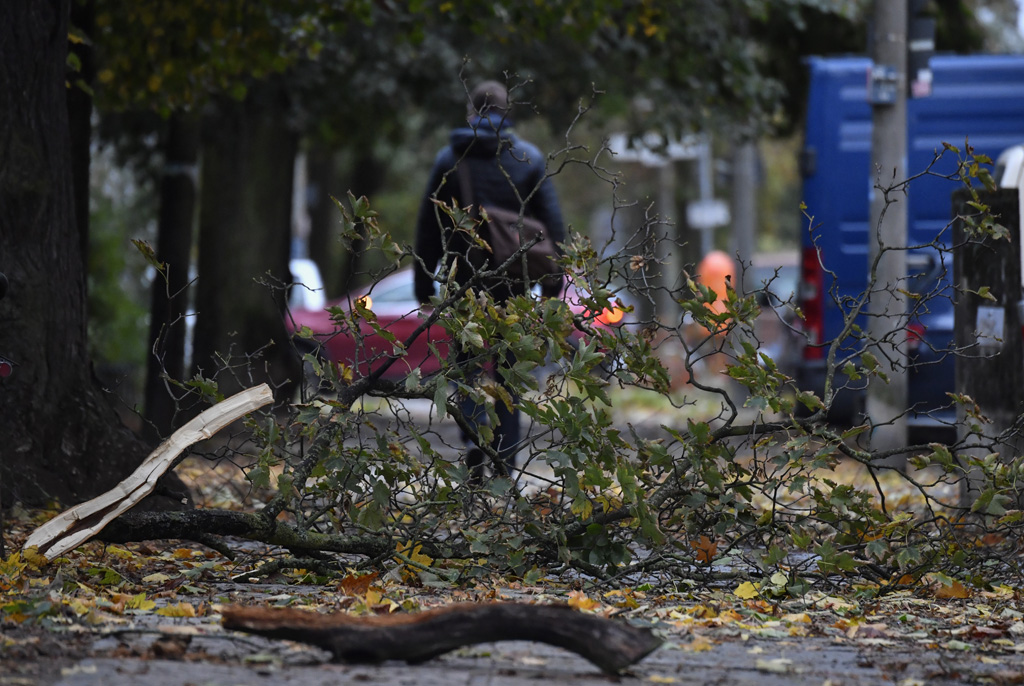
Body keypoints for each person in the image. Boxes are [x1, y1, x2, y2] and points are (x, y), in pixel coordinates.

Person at [413, 80, 565, 481]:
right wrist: (553, 286)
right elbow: (553, 228)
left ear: (471, 112)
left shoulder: (450, 158)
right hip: (516, 285)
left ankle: (474, 450)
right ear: (507, 111)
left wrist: (423, 285)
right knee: (509, 378)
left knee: (465, 372)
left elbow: (428, 228)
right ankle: (504, 465)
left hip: (466, 283)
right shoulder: (528, 158)